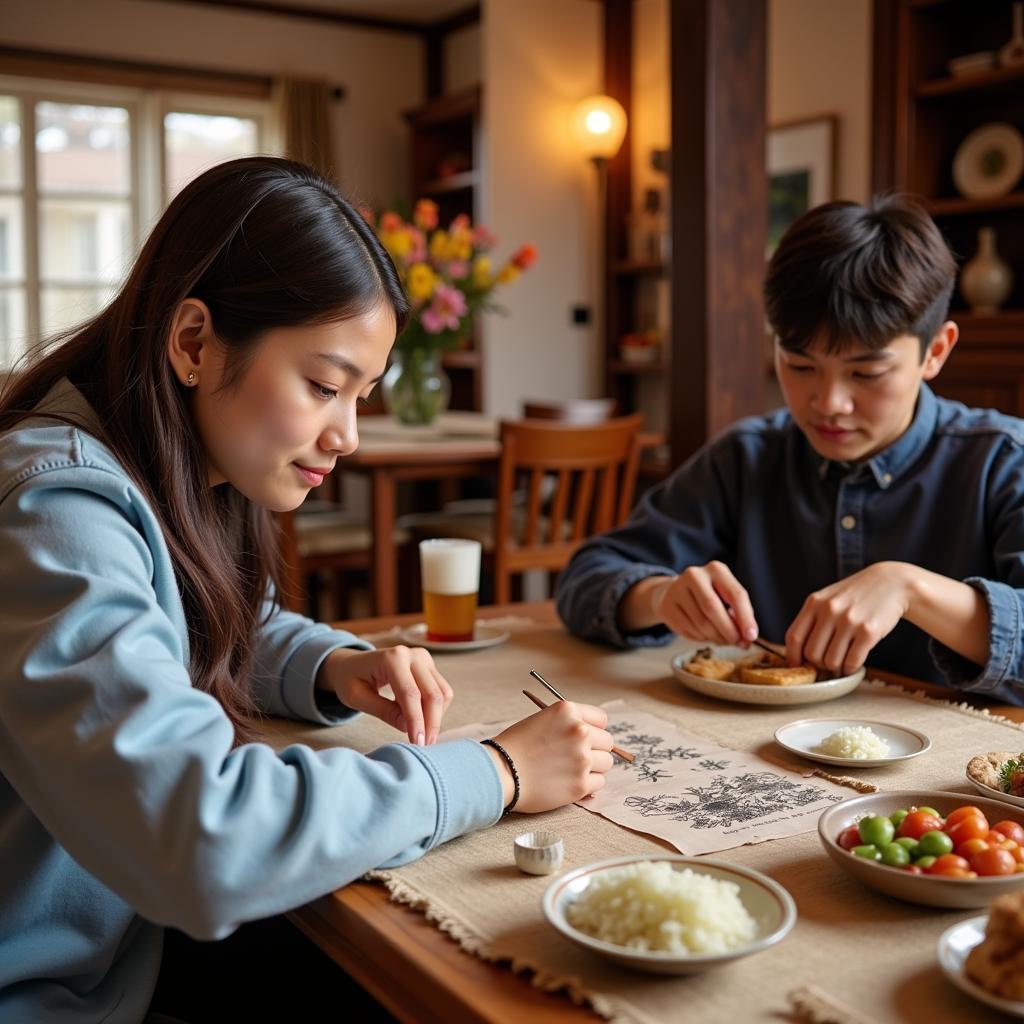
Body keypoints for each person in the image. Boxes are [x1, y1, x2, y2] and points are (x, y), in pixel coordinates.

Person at [0, 156, 614, 1024]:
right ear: (193, 342)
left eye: (361, 395)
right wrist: (497, 771)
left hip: (124, 963)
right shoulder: (54, 511)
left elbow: (195, 622)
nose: (348, 434)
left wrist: (334, 665)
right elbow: (198, 835)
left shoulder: (147, 468)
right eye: (325, 386)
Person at [556, 195, 1024, 705]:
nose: (829, 403)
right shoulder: (748, 458)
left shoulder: (1002, 462)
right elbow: (585, 579)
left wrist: (911, 590)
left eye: (865, 373)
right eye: (799, 366)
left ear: (935, 351)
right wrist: (658, 596)